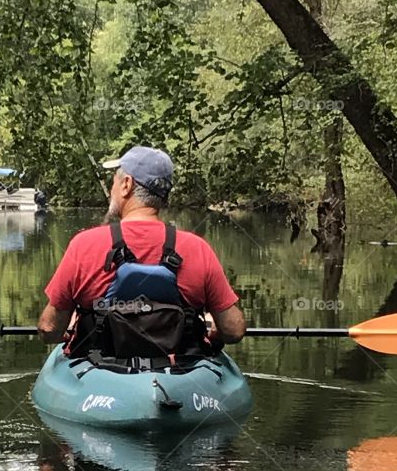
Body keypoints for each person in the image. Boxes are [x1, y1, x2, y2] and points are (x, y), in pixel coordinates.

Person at [37, 146, 246, 360]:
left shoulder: (84, 244)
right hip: (179, 374)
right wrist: (213, 335)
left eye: (114, 182)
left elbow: (48, 329)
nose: (112, 189)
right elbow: (233, 330)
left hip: (99, 370)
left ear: (126, 185)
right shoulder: (197, 247)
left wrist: (67, 331)